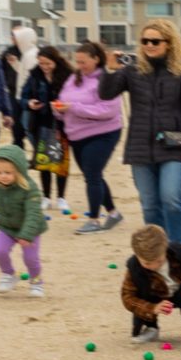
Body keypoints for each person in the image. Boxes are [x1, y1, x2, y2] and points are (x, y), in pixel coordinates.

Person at [100, 21, 181, 246]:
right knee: (150, 204)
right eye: (145, 41)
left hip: (175, 145)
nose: (149, 45)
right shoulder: (132, 70)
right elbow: (106, 94)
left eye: (155, 41)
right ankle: (157, 252)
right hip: (140, 147)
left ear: (169, 43)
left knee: (171, 199)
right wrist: (110, 69)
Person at [59, 43, 126, 234]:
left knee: (92, 175)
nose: (80, 65)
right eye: (77, 61)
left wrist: (72, 107)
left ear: (96, 59)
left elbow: (108, 110)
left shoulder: (107, 79)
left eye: (84, 61)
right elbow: (64, 99)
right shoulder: (74, 77)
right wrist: (59, 110)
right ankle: (113, 213)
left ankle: (95, 221)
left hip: (103, 133)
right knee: (93, 174)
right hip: (76, 133)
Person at [20, 46, 71, 215]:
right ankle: (46, 197)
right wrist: (30, 103)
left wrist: (63, 105)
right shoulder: (35, 75)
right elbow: (23, 96)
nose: (44, 66)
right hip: (41, 124)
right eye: (41, 63)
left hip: (62, 124)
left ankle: (62, 198)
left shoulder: (67, 75)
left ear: (55, 61)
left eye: (48, 63)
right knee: (43, 163)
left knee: (61, 162)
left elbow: (75, 96)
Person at [0, 144, 45, 296]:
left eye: (8, 172)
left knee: (30, 258)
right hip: (7, 228)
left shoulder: (30, 188)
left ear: (19, 171)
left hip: (30, 230)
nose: (3, 176)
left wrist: (27, 234)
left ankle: (36, 282)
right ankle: (8, 274)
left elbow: (33, 213)